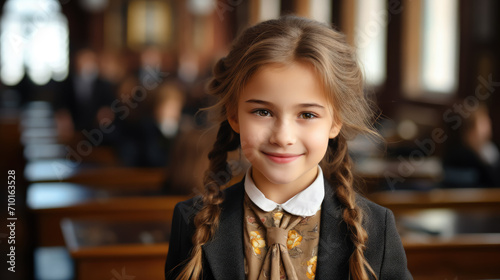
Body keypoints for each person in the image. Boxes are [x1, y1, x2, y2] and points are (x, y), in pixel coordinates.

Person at [165, 15, 412, 280]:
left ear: (335, 121)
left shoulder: (376, 228)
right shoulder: (191, 220)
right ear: (234, 115)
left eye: (307, 115)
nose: (283, 137)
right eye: (262, 112)